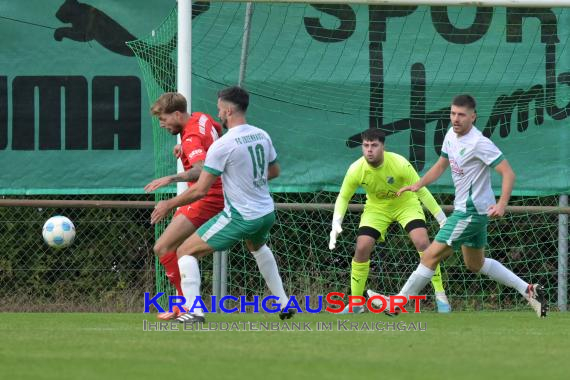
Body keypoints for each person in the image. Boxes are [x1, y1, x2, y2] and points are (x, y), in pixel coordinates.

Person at [368, 94, 548, 318]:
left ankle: (396, 304)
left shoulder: (479, 143)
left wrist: (502, 204)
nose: (455, 118)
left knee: (429, 256)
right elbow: (441, 165)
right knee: (475, 264)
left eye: (461, 115)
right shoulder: (451, 135)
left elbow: (508, 173)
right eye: (453, 113)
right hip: (472, 213)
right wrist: (418, 184)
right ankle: (528, 290)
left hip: (469, 213)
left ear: (473, 117)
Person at [151, 86, 292, 323]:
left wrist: (169, 203)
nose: (217, 114)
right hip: (266, 211)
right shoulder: (261, 134)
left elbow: (200, 190)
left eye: (219, 110)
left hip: (241, 215)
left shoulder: (223, 145)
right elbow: (275, 171)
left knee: (185, 251)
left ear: (227, 110)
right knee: (257, 247)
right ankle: (284, 302)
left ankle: (194, 312)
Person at [329, 129, 451, 314]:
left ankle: (440, 296)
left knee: (423, 242)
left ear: (383, 147)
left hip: (406, 204)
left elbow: (421, 190)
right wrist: (336, 221)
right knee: (362, 248)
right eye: (366, 145)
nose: (369, 150)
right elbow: (344, 196)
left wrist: (442, 219)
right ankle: (355, 304)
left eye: (374, 145)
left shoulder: (399, 163)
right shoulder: (356, 169)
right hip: (376, 209)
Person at [145, 93, 225, 320]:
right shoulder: (201, 117)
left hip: (208, 196)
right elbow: (216, 132)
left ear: (177, 114)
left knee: (164, 248)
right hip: (213, 193)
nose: (162, 125)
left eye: (163, 119)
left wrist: (171, 179)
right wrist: (186, 147)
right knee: (172, 249)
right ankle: (185, 304)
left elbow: (201, 171)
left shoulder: (190, 136)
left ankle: (186, 305)